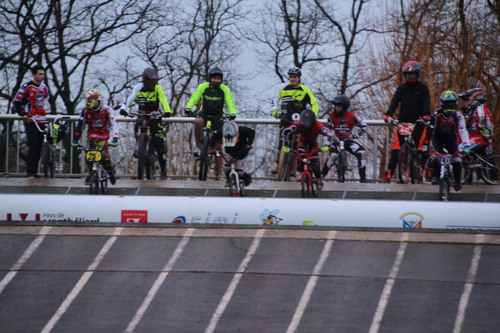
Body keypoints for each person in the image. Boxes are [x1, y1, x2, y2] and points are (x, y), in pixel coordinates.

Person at [184, 66, 237, 180]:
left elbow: (230, 101)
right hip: (204, 115)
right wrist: (188, 107)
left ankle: (218, 174)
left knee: (218, 146)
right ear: (210, 79)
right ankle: (198, 146)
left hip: (218, 117)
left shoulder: (224, 89)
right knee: (197, 122)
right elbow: (194, 97)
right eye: (214, 78)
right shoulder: (203, 87)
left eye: (218, 79)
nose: (216, 81)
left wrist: (232, 112)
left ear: (221, 80)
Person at [381, 60, 431, 183]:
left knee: (422, 147)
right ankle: (389, 174)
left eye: (412, 74)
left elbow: (426, 103)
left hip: (418, 121)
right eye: (407, 74)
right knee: (396, 148)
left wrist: (426, 115)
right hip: (403, 121)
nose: (410, 76)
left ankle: (428, 171)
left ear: (417, 74)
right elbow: (395, 102)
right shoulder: (402, 88)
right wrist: (388, 114)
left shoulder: (423, 88)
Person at [119, 67, 172, 180]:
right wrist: (124, 108)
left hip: (154, 115)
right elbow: (130, 98)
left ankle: (163, 171)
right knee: (137, 125)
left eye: (155, 81)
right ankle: (139, 145)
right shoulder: (138, 88)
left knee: (159, 143)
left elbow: (163, 99)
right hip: (142, 114)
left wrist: (167, 111)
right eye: (151, 81)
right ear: (145, 80)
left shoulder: (158, 89)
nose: (153, 84)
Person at [270, 66, 319, 174]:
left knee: (296, 149)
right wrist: (274, 110)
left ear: (299, 78)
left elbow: (314, 103)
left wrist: (313, 116)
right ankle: (277, 162)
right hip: (285, 120)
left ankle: (292, 174)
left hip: (300, 123)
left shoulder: (305, 90)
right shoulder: (283, 88)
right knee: (281, 144)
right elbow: (275, 100)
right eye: (291, 77)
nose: (292, 79)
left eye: (295, 77)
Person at [422, 91, 470, 192]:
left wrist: (466, 145)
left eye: (451, 104)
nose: (449, 107)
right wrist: (426, 144)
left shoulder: (459, 116)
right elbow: (430, 129)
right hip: (437, 137)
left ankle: (457, 181)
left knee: (457, 159)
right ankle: (436, 176)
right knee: (436, 156)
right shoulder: (435, 114)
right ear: (442, 104)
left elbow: (462, 130)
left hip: (451, 137)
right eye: (447, 104)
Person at [72, 89, 119, 185]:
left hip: (103, 137)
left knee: (105, 157)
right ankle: (91, 174)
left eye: (93, 101)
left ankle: (110, 173)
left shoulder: (108, 109)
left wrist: (115, 138)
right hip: (91, 137)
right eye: (89, 101)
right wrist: (76, 139)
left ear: (99, 100)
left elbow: (114, 124)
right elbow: (81, 125)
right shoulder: (85, 110)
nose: (91, 103)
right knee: (89, 157)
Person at [281, 109, 338, 186]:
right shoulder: (297, 125)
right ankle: (301, 170)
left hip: (313, 142)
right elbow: (285, 131)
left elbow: (331, 135)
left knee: (314, 161)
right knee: (300, 153)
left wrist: (327, 145)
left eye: (308, 124)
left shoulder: (318, 126)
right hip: (302, 140)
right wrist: (286, 145)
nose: (306, 126)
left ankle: (318, 178)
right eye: (304, 123)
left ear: (313, 122)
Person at [12, 64, 51, 178]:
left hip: (41, 119)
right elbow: (16, 101)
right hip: (31, 119)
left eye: (43, 74)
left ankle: (35, 171)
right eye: (40, 74)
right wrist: (23, 114)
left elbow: (45, 100)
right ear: (34, 74)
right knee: (33, 145)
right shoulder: (26, 86)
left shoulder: (44, 88)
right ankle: (30, 171)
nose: (42, 76)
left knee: (39, 146)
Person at [321, 94, 368, 182]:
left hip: (348, 140)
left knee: (362, 152)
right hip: (336, 140)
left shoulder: (352, 115)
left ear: (344, 107)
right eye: (335, 106)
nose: (336, 108)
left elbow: (364, 126)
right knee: (333, 156)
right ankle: (321, 176)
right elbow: (328, 129)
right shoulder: (331, 116)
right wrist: (328, 143)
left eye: (338, 106)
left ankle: (363, 178)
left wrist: (355, 136)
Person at [458, 88, 494, 156]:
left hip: (483, 138)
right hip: (475, 137)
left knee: (459, 150)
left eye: (466, 100)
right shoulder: (472, 110)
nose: (465, 103)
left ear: (474, 99)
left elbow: (487, 131)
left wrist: (480, 130)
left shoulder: (480, 111)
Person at [221, 121, 255, 187]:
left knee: (240, 172)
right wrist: (212, 147)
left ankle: (246, 178)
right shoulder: (222, 131)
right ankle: (228, 179)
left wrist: (249, 144)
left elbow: (252, 132)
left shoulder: (243, 130)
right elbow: (214, 136)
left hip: (241, 151)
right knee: (227, 167)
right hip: (229, 151)